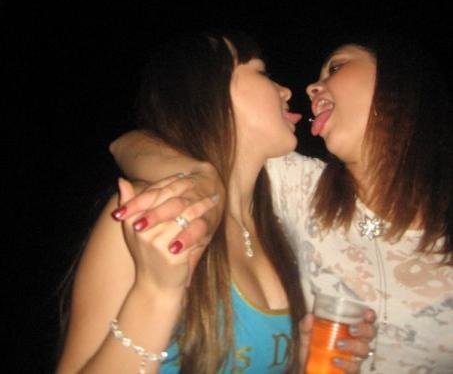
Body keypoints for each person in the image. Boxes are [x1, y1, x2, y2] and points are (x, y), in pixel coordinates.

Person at [111, 33, 453, 373]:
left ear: (396, 78)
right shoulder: (298, 185)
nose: (312, 88)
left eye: (336, 68)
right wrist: (200, 176)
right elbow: (131, 143)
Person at [56, 31, 374, 374]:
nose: (285, 91)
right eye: (262, 72)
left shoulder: (275, 229)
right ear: (210, 93)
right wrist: (157, 292)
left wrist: (306, 361)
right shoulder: (151, 214)